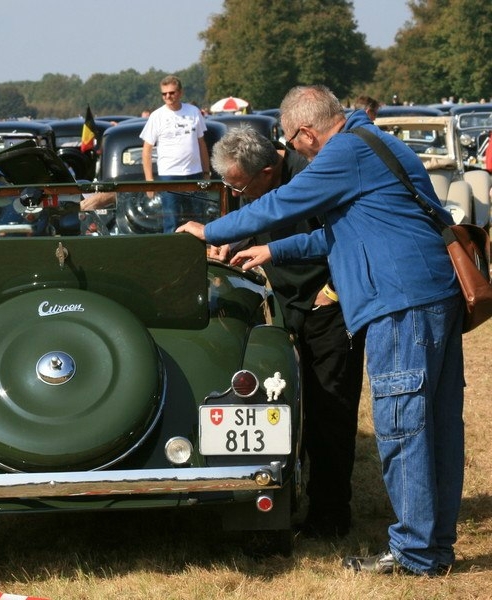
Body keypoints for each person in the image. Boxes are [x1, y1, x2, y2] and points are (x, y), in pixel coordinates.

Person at [177, 85, 464, 577]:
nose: (293, 151)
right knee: (435, 426)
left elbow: (280, 204)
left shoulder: (344, 151)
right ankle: (433, 545)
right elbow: (341, 231)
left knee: (403, 426)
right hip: (431, 294)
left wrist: (211, 232)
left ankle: (416, 550)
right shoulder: (376, 143)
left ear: (307, 132)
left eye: (292, 141)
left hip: (398, 302)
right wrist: (274, 251)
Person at [208, 127, 366, 539]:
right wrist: (233, 243)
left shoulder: (313, 176)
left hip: (327, 310)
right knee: (287, 404)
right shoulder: (261, 184)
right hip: (288, 307)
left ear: (267, 170)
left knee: (329, 411)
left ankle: (330, 516)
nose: (238, 194)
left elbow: (347, 236)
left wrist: (333, 292)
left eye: (241, 186)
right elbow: (262, 221)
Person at [140, 75, 210, 232]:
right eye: (164, 94)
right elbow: (147, 149)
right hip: (169, 176)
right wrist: (149, 181)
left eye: (171, 93)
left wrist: (206, 172)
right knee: (171, 222)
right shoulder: (156, 116)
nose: (168, 97)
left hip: (195, 174)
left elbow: (201, 143)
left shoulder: (193, 112)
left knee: (199, 219)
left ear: (180, 92)